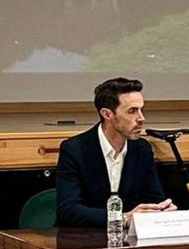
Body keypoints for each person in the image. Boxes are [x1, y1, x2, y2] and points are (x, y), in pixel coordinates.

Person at [55, 78, 175, 227]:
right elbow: (69, 210)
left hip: (129, 240)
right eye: (132, 111)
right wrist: (122, 219)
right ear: (107, 114)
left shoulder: (141, 149)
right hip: (82, 239)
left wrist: (163, 210)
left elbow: (155, 198)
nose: (141, 118)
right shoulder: (74, 149)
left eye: (141, 110)